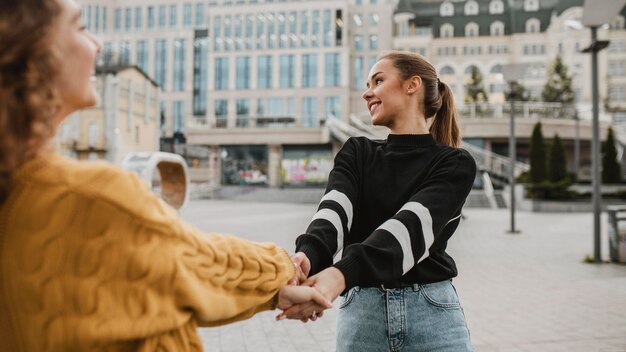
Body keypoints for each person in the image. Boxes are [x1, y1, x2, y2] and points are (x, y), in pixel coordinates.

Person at [0, 0, 331, 350]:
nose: (97, 44)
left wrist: (275, 292)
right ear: (34, 53)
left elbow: (166, 278)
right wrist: (283, 267)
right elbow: (196, 263)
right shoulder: (90, 196)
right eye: (80, 27)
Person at [281, 51, 477, 351]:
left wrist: (339, 275)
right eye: (367, 83)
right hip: (363, 316)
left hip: (433, 317)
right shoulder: (357, 152)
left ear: (412, 85)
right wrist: (308, 256)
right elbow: (333, 210)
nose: (366, 92)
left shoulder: (454, 163)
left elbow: (409, 229)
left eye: (378, 80)